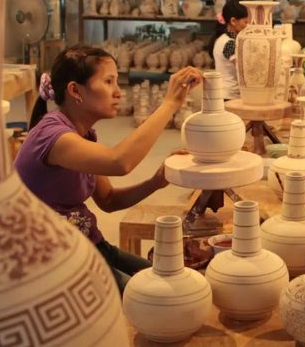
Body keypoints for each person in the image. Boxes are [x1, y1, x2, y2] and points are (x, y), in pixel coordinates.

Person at [14, 45, 203, 294]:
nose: (118, 92)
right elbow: (120, 162)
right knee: (152, 298)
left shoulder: (83, 135)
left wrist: (155, 182)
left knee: (172, 280)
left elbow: (108, 199)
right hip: (52, 256)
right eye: (108, 82)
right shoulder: (54, 137)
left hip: (87, 243)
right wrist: (169, 105)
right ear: (75, 91)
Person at [211, 0, 249, 100]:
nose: (249, 26)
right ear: (233, 21)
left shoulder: (226, 39)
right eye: (246, 22)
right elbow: (242, 70)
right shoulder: (229, 43)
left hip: (226, 94)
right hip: (229, 96)